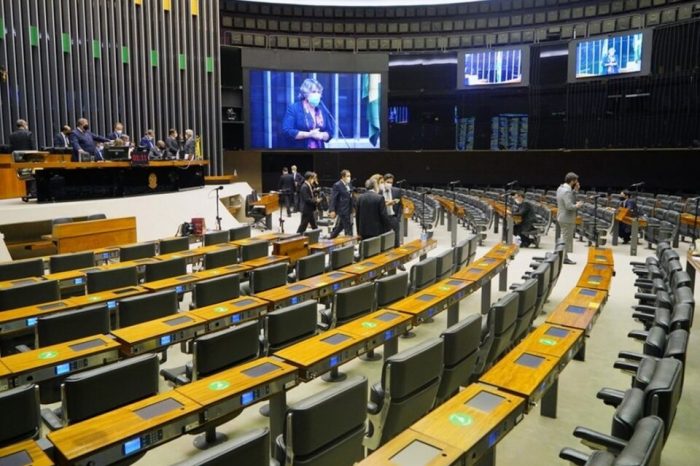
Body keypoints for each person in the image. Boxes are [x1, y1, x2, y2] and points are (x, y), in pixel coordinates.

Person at [282, 78, 335, 149]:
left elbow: (330, 132)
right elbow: (287, 131)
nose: (317, 94)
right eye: (313, 92)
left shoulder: (322, 109)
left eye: (319, 92)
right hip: (300, 153)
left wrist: (322, 135)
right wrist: (309, 134)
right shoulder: (294, 108)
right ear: (305, 93)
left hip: (320, 153)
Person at [556, 172, 583, 264]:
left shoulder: (561, 188)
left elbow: (569, 197)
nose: (577, 182)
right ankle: (564, 257)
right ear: (572, 181)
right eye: (576, 181)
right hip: (566, 218)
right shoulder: (566, 191)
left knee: (565, 237)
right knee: (566, 239)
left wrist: (575, 191)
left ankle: (563, 256)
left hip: (562, 216)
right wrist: (577, 205)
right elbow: (569, 206)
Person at [329, 170, 354, 238]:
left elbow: (351, 196)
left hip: (349, 209)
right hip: (342, 209)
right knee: (348, 226)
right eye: (348, 176)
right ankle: (350, 242)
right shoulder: (337, 185)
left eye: (350, 176)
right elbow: (333, 198)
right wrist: (332, 210)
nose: (349, 178)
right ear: (343, 177)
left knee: (341, 226)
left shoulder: (349, 184)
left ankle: (332, 236)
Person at [383, 173, 403, 248]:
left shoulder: (397, 191)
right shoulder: (379, 192)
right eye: (388, 182)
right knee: (385, 241)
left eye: (391, 182)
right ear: (384, 182)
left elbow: (401, 206)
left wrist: (397, 218)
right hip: (383, 219)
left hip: (393, 218)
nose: (389, 184)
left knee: (396, 241)